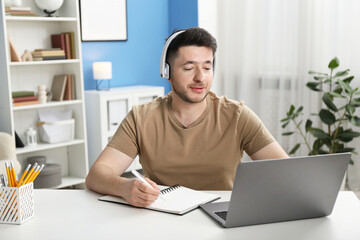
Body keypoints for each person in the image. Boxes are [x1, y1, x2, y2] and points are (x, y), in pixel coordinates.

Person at [86, 27, 288, 207]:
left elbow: (285, 171)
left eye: (207, 68)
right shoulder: (141, 118)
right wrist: (124, 187)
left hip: (222, 217)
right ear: (167, 71)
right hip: (161, 218)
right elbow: (97, 175)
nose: (201, 77)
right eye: (189, 68)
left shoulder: (237, 116)